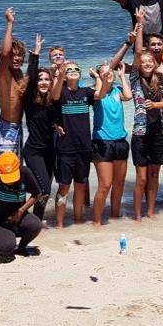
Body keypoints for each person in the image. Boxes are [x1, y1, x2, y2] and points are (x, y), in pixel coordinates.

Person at [50, 61, 111, 228]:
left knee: (81, 186)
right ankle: (59, 223)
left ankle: (77, 220)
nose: (73, 71)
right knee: (63, 188)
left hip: (84, 148)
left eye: (76, 69)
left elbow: (101, 95)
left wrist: (103, 79)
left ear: (80, 73)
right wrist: (60, 74)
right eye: (69, 69)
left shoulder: (86, 92)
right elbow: (53, 96)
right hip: (66, 148)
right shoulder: (61, 92)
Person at [0, 119, 46, 263]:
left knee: (36, 224)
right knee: (7, 249)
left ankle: (22, 247)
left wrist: (21, 211)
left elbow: (38, 193)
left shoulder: (25, 172)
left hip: (18, 219)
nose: (10, 180)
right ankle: (2, 243)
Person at [90, 29, 136, 224]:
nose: (109, 73)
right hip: (102, 143)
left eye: (110, 72)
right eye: (104, 72)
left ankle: (115, 215)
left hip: (120, 142)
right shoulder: (95, 93)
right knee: (105, 185)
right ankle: (97, 221)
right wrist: (99, 78)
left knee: (118, 184)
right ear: (99, 77)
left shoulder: (117, 91)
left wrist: (122, 76)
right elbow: (99, 94)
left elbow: (129, 96)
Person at [131, 11, 163, 221]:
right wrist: (139, 24)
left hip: (158, 132)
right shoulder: (135, 79)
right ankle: (138, 214)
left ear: (154, 64)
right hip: (140, 133)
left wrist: (154, 104)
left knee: (155, 174)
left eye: (150, 61)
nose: (146, 63)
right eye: (143, 61)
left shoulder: (159, 80)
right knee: (141, 178)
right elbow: (138, 51)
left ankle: (151, 211)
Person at [22, 33, 59, 221]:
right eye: (40, 79)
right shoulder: (30, 100)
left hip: (50, 151)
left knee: (46, 190)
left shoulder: (53, 102)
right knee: (43, 188)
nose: (43, 82)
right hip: (33, 151)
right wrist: (35, 55)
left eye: (47, 79)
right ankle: (20, 212)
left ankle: (36, 220)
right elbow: (29, 79)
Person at [0, 7, 28, 155]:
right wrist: (9, 24)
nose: (16, 58)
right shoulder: (4, 74)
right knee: (7, 174)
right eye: (13, 55)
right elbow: (5, 53)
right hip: (5, 128)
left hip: (18, 128)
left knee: (16, 172)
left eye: (19, 55)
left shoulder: (20, 74)